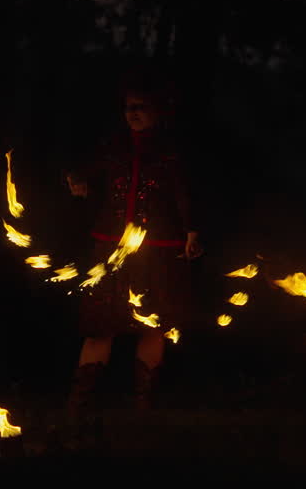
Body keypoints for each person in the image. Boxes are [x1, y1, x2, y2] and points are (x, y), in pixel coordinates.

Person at [63, 70, 203, 417]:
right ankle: (77, 410)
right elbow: (82, 169)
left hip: (158, 248)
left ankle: (143, 408)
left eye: (141, 106)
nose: (133, 112)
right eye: (129, 107)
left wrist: (191, 231)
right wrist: (76, 180)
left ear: (157, 110)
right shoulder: (113, 146)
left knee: (152, 324)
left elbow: (184, 192)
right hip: (110, 248)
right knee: (99, 326)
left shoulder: (170, 150)